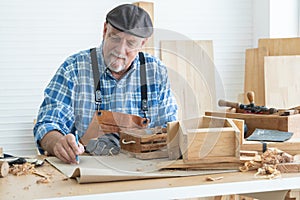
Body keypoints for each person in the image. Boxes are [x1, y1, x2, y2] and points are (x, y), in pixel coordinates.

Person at [33, 4, 178, 164]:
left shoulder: (155, 71)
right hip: (87, 168)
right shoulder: (73, 68)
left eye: (131, 43)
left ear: (143, 43)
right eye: (115, 38)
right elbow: (47, 123)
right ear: (104, 30)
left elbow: (170, 127)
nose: (120, 50)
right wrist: (57, 143)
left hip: (141, 168)